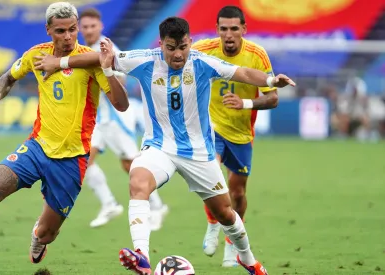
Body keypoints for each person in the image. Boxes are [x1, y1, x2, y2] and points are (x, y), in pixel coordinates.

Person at [35, 16, 295, 275]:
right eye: (171, 48)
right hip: (159, 148)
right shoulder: (145, 59)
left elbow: (243, 73)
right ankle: (142, 257)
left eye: (183, 47)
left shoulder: (203, 63)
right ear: (161, 44)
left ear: (190, 43)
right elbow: (97, 59)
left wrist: (272, 82)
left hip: (198, 153)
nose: (178, 54)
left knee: (226, 213)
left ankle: (247, 259)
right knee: (138, 181)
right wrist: (60, 62)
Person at [0, 2, 128, 274]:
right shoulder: (36, 55)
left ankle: (38, 237)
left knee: (47, 233)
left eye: (72, 30)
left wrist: (108, 70)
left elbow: (122, 105)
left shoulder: (89, 60)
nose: (68, 36)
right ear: (48, 30)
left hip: (72, 159)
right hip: (37, 147)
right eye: (60, 31)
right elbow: (8, 77)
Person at [190, 6, 279, 266]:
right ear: (217, 30)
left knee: (237, 193)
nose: (228, 35)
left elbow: (272, 98)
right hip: (211, 127)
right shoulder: (203, 50)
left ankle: (232, 242)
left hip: (241, 133)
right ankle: (211, 224)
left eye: (234, 29)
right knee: (211, 175)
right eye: (223, 29)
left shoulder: (256, 55)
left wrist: (245, 104)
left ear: (244, 30)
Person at [78, 7, 168, 230]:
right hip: (99, 119)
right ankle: (109, 203)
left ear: (100, 27)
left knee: (131, 165)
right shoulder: (84, 50)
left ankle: (157, 206)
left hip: (116, 117)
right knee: (83, 161)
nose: (89, 30)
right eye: (85, 26)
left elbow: (122, 80)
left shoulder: (106, 49)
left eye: (92, 26)